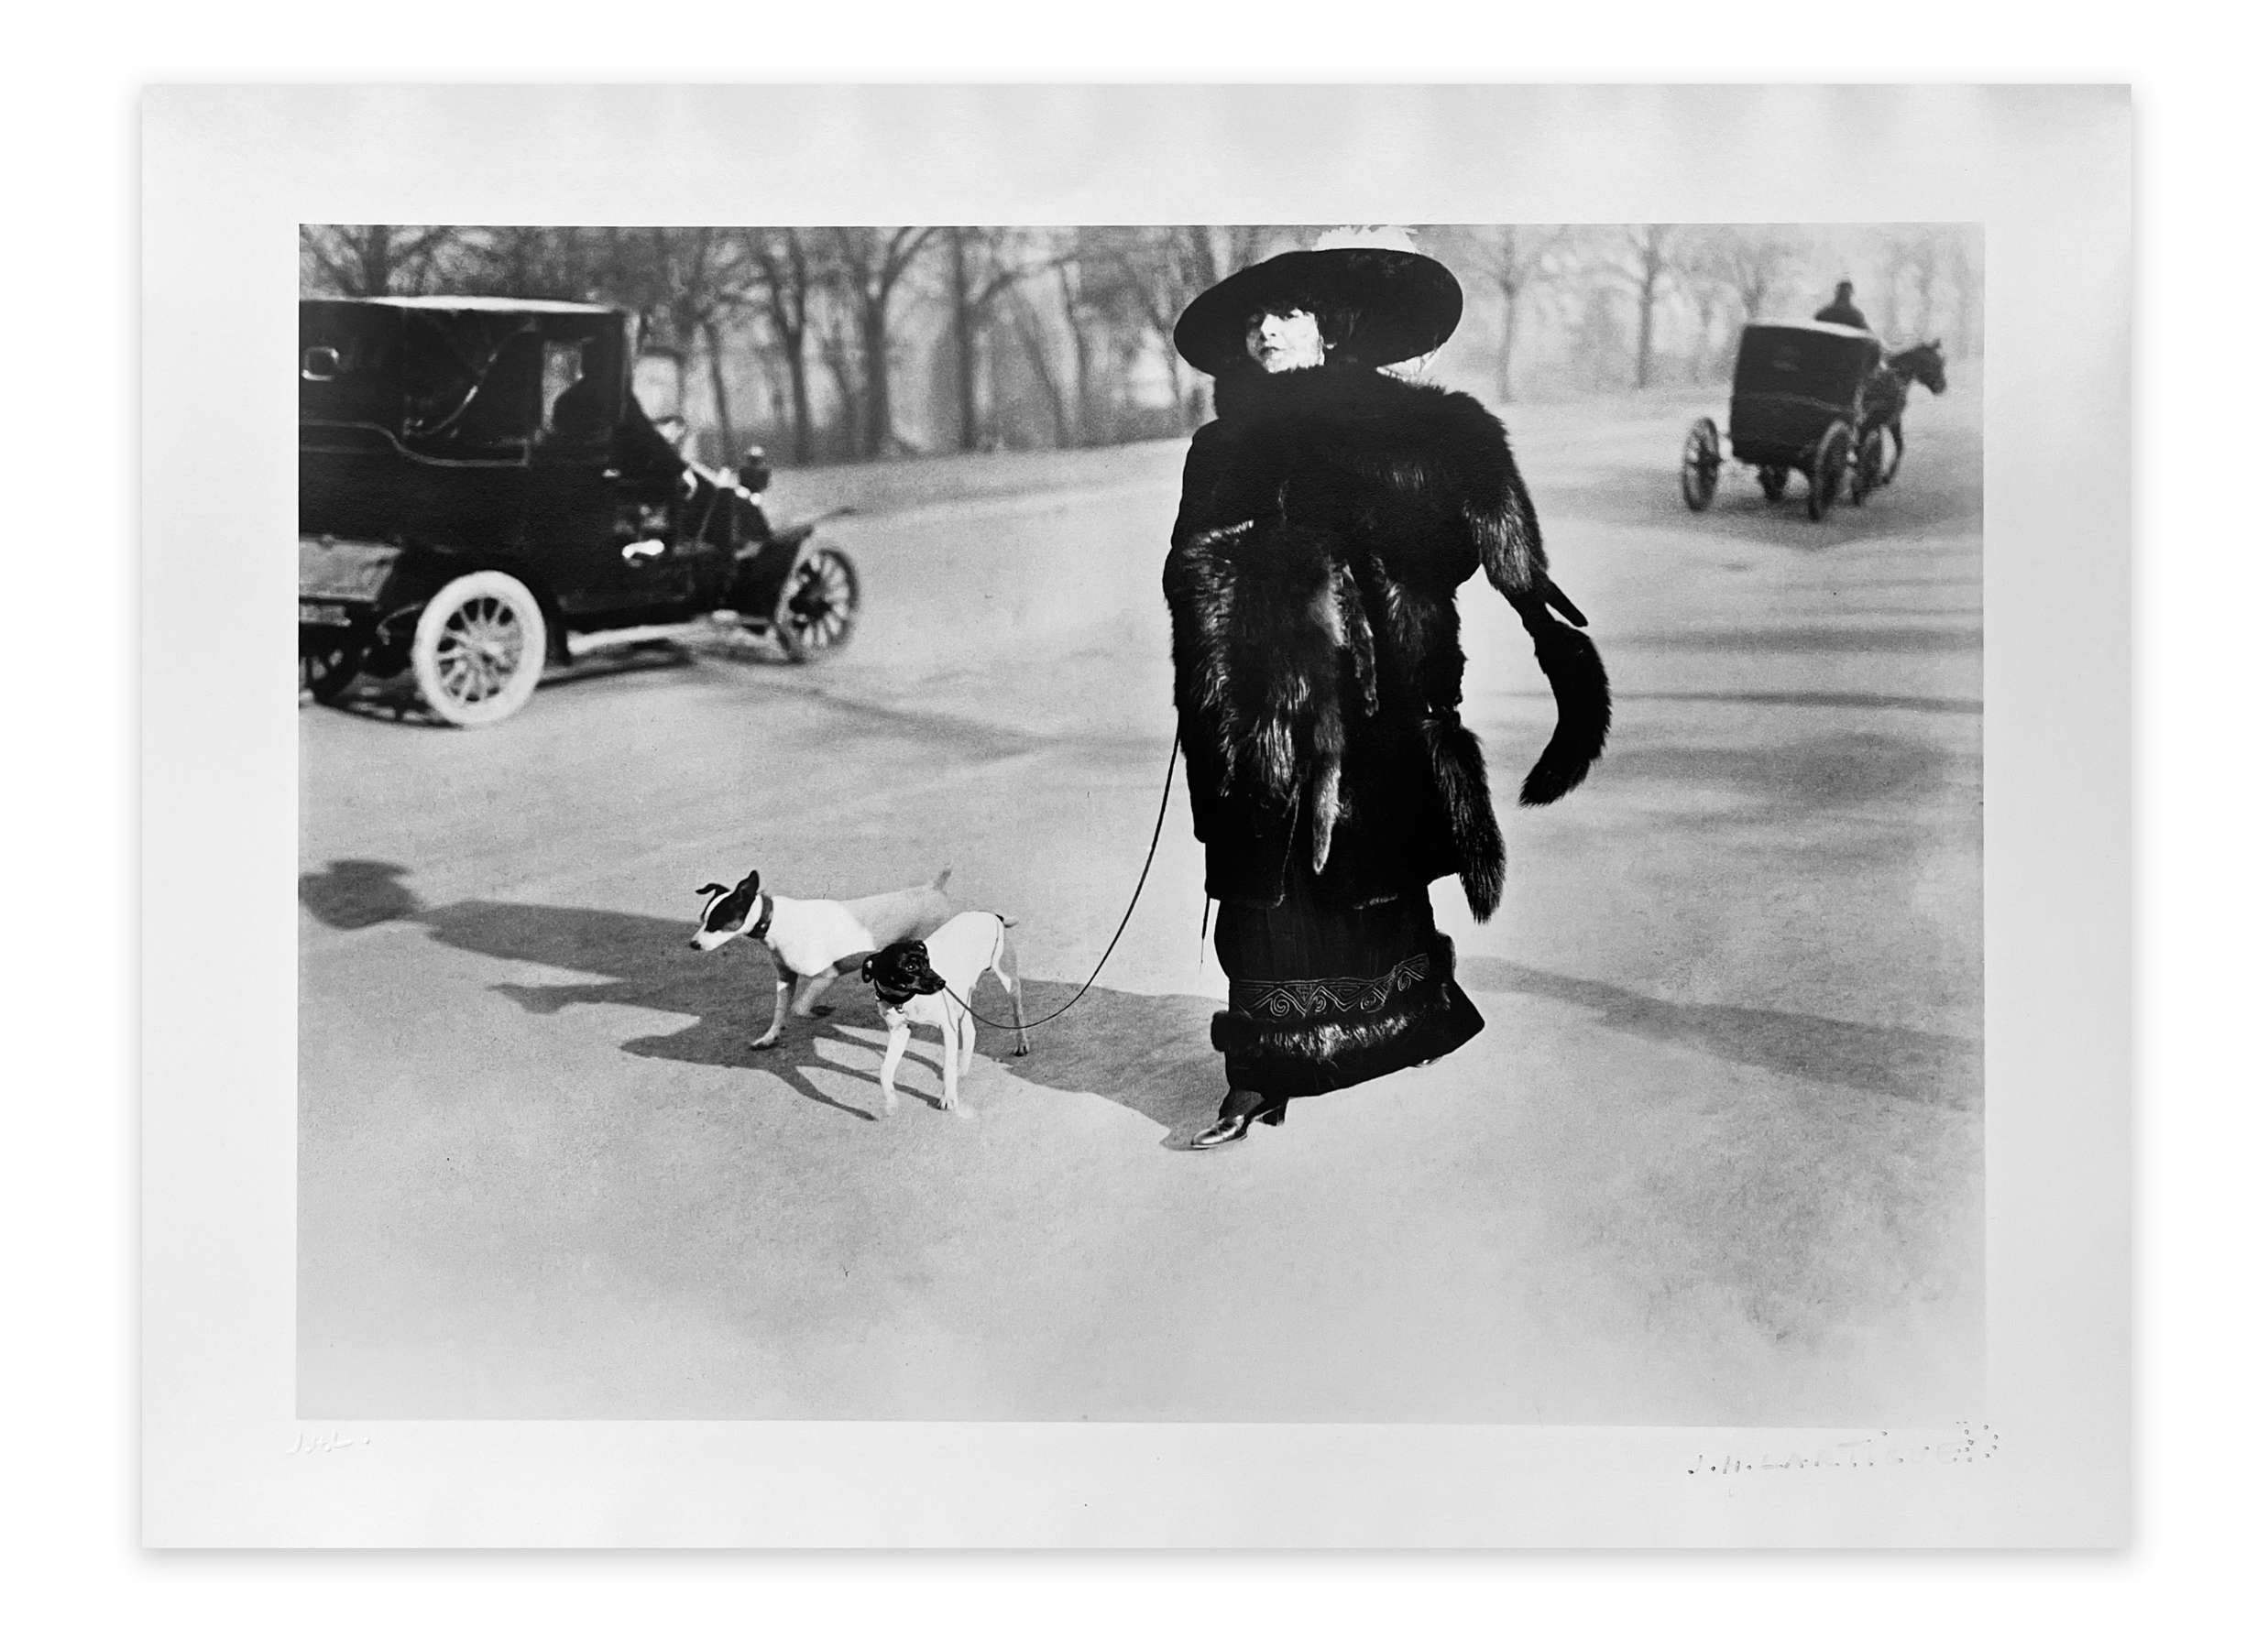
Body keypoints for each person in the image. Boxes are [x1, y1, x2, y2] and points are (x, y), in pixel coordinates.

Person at [1164, 232, 1612, 1150]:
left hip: (1378, 704)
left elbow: (1468, 550)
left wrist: (1552, 648)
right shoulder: (1221, 447)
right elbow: (1186, 568)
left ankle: (1396, 1026)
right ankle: (1260, 1076)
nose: (1261, 333)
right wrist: (1253, 593)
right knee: (1268, 888)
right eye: (1251, 319)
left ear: (1328, 327)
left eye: (1281, 314)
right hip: (1257, 708)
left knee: (1368, 872)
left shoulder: (1416, 430)